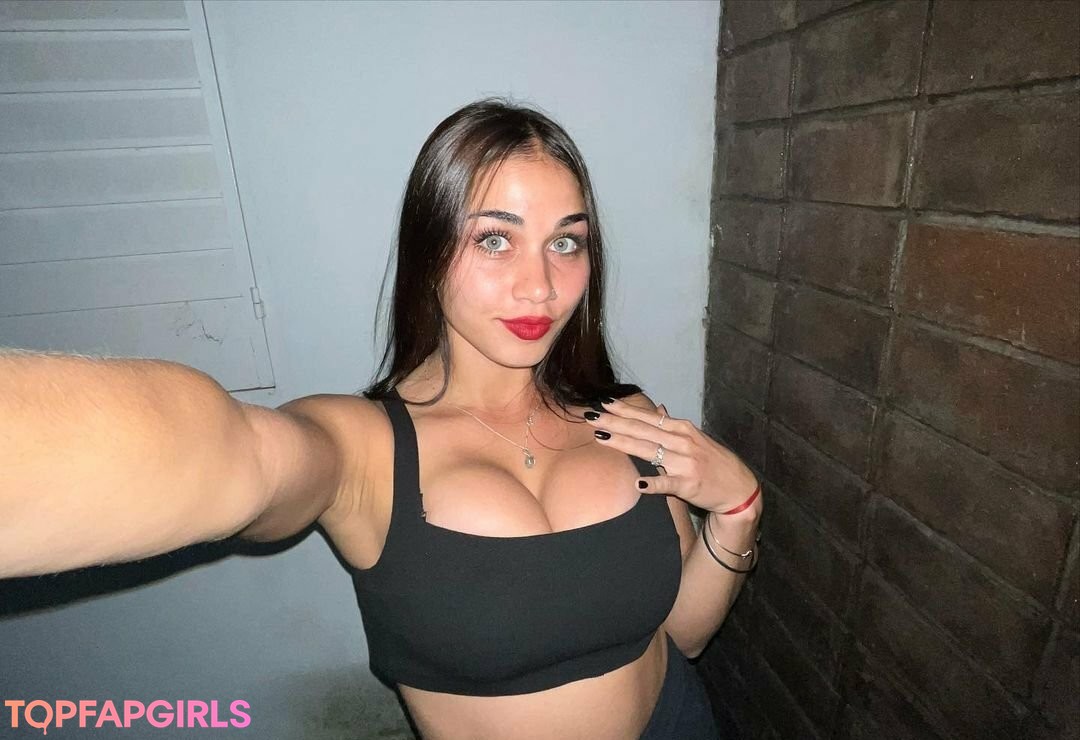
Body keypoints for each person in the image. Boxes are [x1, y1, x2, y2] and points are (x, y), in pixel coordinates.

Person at [0, 99, 762, 739]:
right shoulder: (364, 447)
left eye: (566, 242)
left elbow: (683, 635)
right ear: (429, 252)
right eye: (495, 239)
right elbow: (232, 452)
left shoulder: (627, 419)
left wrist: (737, 512)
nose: (540, 285)